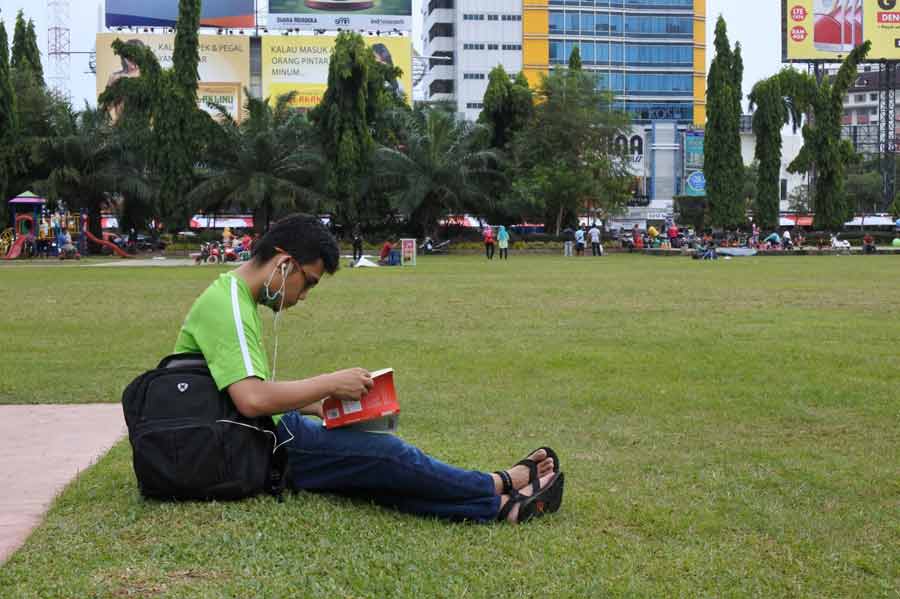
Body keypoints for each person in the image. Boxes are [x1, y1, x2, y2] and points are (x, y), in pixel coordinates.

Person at [172, 214, 565, 523]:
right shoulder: (230, 304)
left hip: (254, 435)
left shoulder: (231, 297)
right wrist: (329, 381)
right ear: (284, 263)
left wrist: (320, 404)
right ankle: (499, 483)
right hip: (256, 442)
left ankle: (498, 508)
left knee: (372, 472)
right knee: (388, 455)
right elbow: (253, 399)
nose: (303, 297)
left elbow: (242, 389)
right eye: (307, 283)